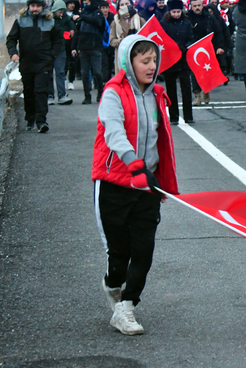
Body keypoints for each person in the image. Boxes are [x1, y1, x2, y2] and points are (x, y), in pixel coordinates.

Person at [93, 35, 179, 336]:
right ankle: (113, 285)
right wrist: (133, 163)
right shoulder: (113, 93)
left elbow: (161, 140)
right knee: (120, 254)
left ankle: (127, 307)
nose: (151, 66)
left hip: (146, 186)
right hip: (115, 183)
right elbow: (113, 133)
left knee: (144, 249)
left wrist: (160, 180)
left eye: (154, 60)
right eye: (145, 60)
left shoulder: (156, 94)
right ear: (129, 62)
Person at [7, 0, 63, 133]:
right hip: (26, 63)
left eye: (38, 6)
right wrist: (13, 53)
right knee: (29, 91)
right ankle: (30, 118)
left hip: (44, 63)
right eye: (33, 6)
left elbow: (58, 40)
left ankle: (41, 121)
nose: (35, 9)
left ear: (43, 7)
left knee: (41, 91)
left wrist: (52, 55)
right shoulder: (20, 21)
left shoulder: (50, 21)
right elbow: (11, 39)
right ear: (28, 6)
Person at [160, 0, 194, 125]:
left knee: (186, 88)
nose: (176, 14)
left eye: (178, 12)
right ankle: (173, 116)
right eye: (174, 12)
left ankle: (188, 116)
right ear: (170, 12)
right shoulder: (163, 23)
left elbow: (191, 38)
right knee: (171, 90)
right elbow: (161, 39)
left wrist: (184, 47)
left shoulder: (186, 23)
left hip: (183, 59)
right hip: (169, 59)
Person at [72, 0, 106, 104]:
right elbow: (77, 33)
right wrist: (75, 47)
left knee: (97, 72)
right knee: (85, 74)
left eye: (88, 2)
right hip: (83, 48)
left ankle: (100, 92)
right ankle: (87, 95)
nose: (86, 4)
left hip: (95, 47)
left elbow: (97, 22)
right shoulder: (83, 14)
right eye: (84, 2)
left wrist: (82, 17)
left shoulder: (97, 13)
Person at [188, 0, 220, 104]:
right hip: (193, 49)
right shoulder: (188, 18)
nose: (197, 8)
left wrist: (219, 46)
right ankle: (197, 96)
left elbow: (218, 32)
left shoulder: (209, 18)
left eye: (199, 5)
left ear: (202, 5)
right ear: (191, 7)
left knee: (206, 72)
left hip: (207, 49)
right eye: (195, 6)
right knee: (195, 74)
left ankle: (206, 91)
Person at [110, 0, 145, 70]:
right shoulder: (115, 22)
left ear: (132, 4)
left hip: (137, 54)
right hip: (122, 56)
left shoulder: (140, 20)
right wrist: (121, 41)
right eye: (122, 5)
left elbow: (146, 36)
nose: (124, 6)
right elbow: (112, 41)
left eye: (127, 4)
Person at [50, 0, 74, 105]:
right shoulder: (48, 19)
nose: (61, 14)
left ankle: (62, 95)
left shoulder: (65, 18)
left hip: (60, 50)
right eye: (59, 12)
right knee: (48, 74)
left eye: (62, 12)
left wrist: (72, 28)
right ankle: (49, 96)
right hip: (49, 50)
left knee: (60, 72)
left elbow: (70, 22)